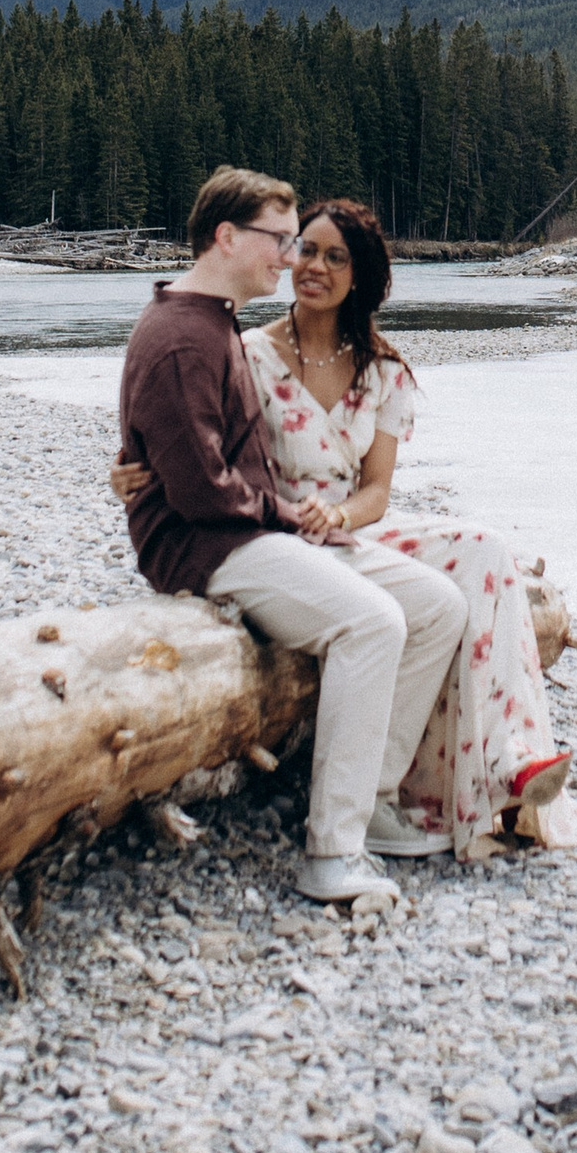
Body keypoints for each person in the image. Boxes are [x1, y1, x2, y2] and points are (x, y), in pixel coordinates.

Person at [117, 193, 577, 861]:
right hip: (270, 536)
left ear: (360, 276)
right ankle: (430, 785)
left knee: (486, 551)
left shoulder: (382, 370)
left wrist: (339, 515)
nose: (311, 265)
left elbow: (376, 491)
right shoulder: (249, 353)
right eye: (304, 250)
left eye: (333, 257)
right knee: (416, 605)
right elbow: (195, 438)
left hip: (345, 528)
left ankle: (509, 759)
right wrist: (132, 469)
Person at [115, 165, 466, 906]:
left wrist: (298, 516)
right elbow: (199, 490)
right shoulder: (184, 334)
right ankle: (330, 851)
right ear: (226, 236)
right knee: (372, 623)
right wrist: (285, 514)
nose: (290, 257)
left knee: (438, 606)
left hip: (250, 528)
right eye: (280, 239)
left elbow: (192, 456)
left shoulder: (213, 324)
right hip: (208, 544)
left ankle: (367, 799)